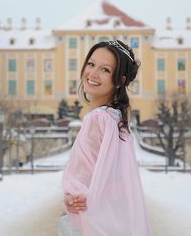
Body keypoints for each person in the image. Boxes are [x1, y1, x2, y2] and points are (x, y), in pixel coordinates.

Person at [58, 39, 152, 236]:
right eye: (91, 64)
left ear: (121, 80)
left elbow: (84, 179)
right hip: (116, 223)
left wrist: (72, 199)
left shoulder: (98, 119)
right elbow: (117, 184)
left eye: (105, 70)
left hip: (93, 225)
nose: (92, 73)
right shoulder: (116, 119)